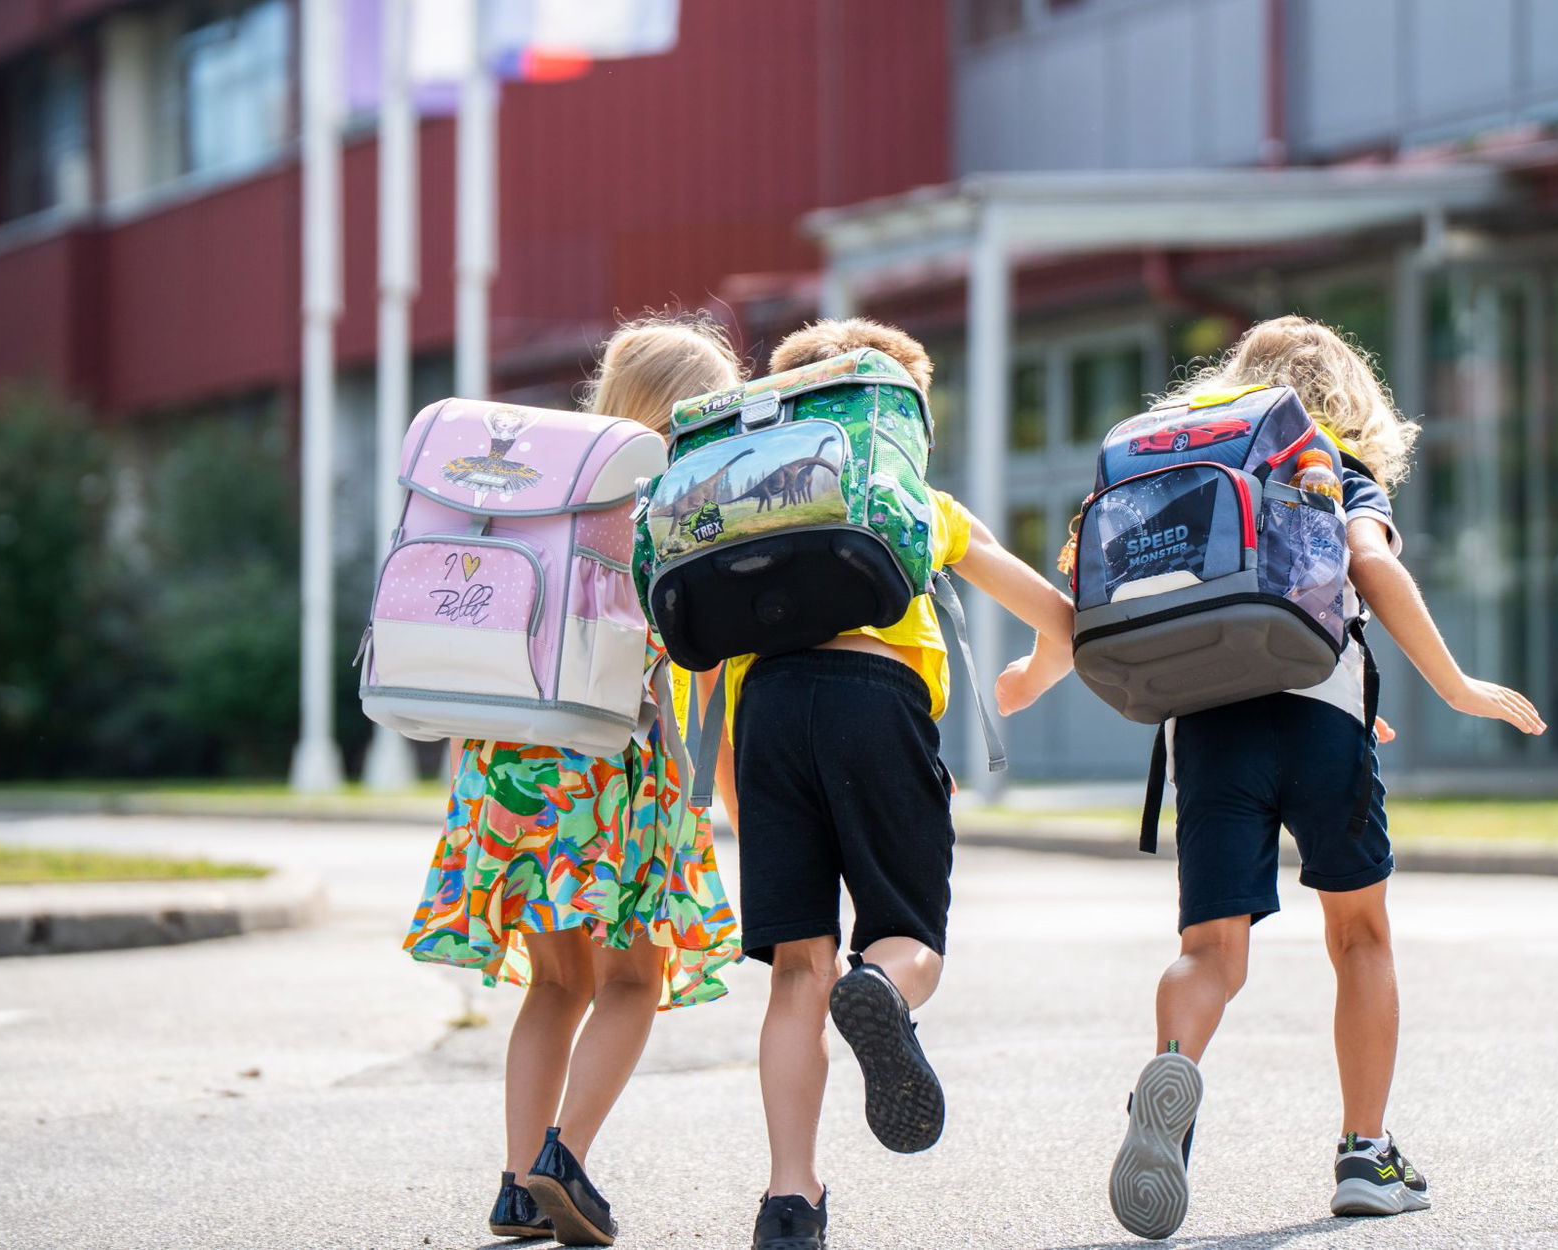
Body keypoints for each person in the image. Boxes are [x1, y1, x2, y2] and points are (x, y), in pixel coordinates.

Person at [1003, 315, 1544, 1241]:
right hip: (1320, 720)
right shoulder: (1327, 462)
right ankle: (1366, 1156)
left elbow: (1099, 601)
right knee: (1360, 936)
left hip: (1209, 727)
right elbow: (1367, 565)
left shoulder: (1172, 478)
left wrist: (1025, 679)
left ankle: (1171, 1070)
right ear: (1347, 395)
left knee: (1212, 950)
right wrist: (1456, 686)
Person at [728, 318, 1074, 1250]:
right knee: (906, 937)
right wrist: (1030, 678)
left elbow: (710, 676)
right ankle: (880, 986)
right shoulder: (917, 503)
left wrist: (739, 807)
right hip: (875, 703)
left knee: (796, 970)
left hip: (766, 710)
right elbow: (1060, 618)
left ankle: (788, 1203)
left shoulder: (742, 508)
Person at [403, 316, 745, 1248]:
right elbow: (699, 682)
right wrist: (731, 802)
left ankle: (517, 1186)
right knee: (635, 977)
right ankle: (568, 1159)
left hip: (511, 762)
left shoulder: (527, 500)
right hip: (618, 768)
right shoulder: (682, 518)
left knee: (553, 982)